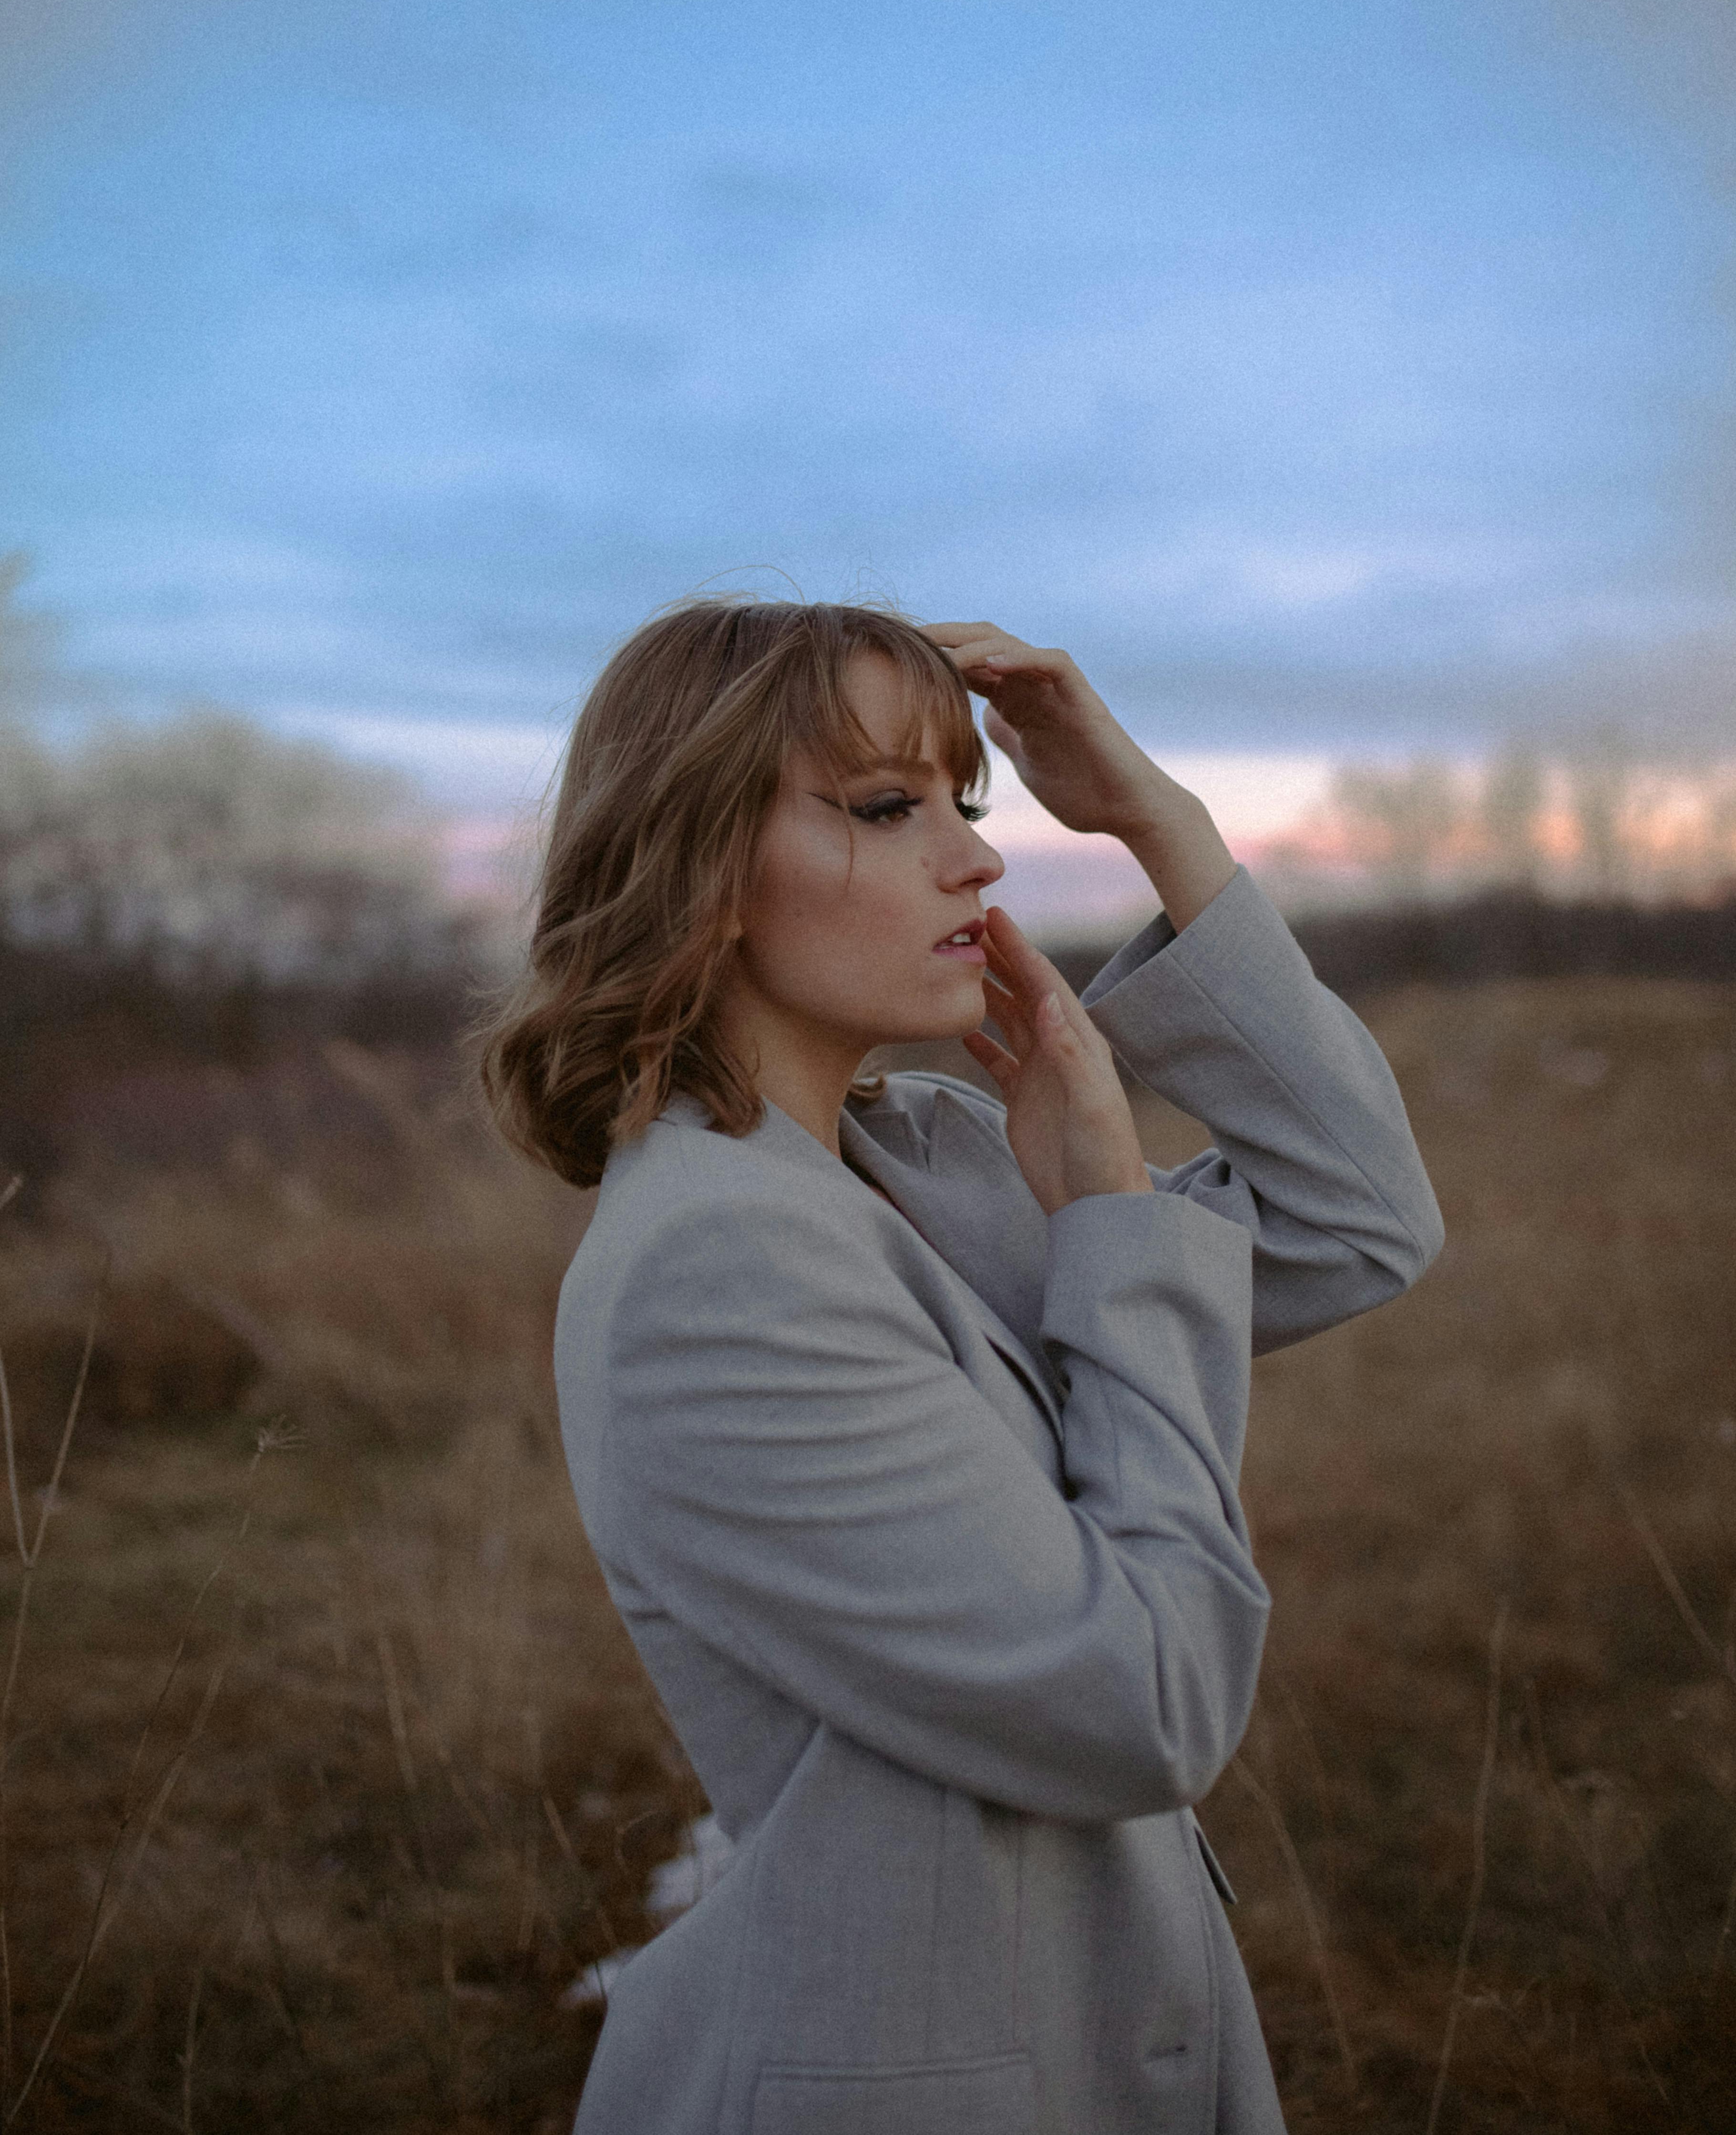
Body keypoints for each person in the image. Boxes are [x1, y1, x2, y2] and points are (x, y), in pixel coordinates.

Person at [483, 598, 1442, 2135]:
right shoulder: (717, 1267)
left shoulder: (919, 1161)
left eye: (963, 800)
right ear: (699, 869)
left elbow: (1358, 1219)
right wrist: (1111, 1228)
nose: (976, 858)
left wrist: (1152, 815)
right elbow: (1143, 1702)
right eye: (883, 808)